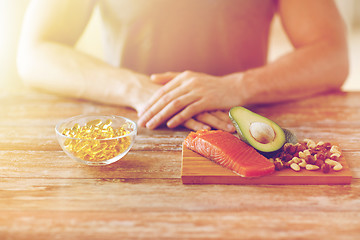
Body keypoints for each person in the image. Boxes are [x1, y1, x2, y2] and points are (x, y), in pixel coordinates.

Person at [17, 0, 348, 132]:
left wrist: (237, 86)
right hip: (136, 128)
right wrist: (136, 89)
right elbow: (36, 51)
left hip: (237, 128)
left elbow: (331, 54)